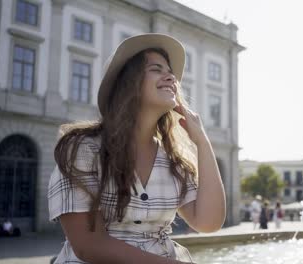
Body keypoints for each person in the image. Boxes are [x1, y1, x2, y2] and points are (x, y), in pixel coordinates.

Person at [48, 33, 226, 264]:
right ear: (129, 83)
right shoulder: (82, 149)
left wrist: (202, 141)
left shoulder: (173, 160)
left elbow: (208, 222)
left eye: (170, 71)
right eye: (156, 69)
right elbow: (88, 245)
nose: (171, 76)